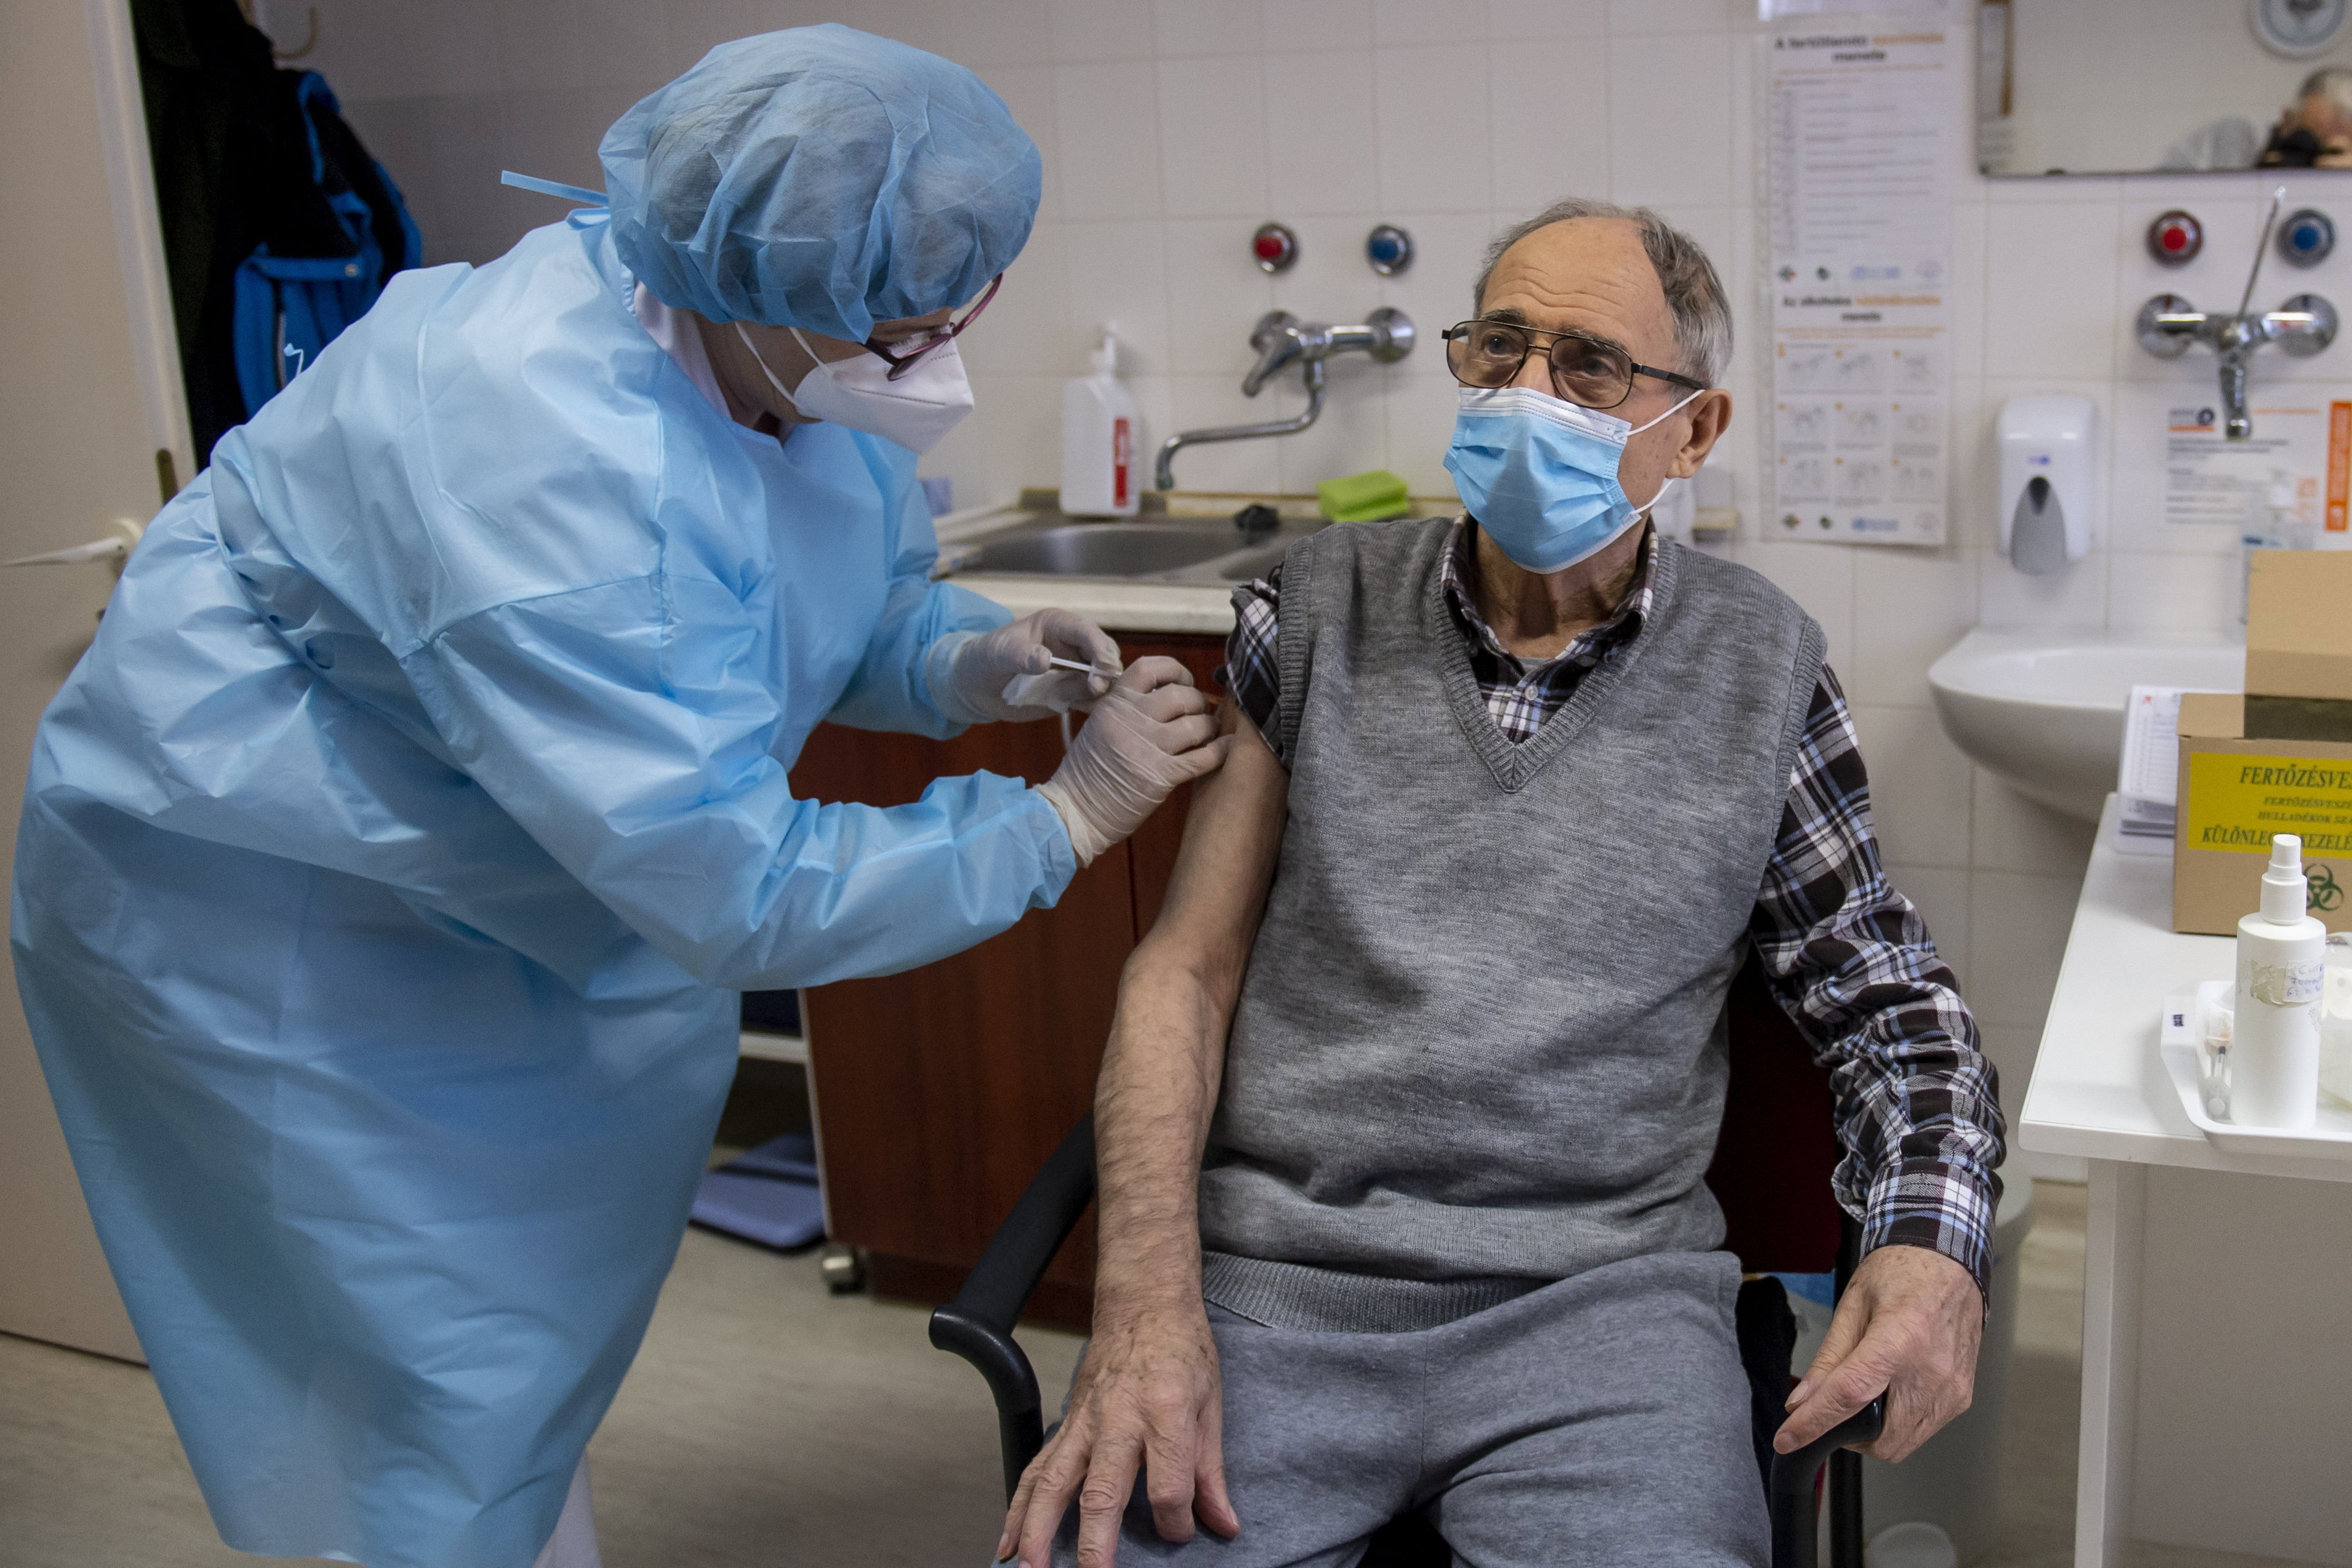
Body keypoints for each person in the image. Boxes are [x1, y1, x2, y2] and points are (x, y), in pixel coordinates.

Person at [9, 27, 1225, 1568]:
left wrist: (968, 661)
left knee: (505, 1359)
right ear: (770, 298)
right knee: (427, 1362)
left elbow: (811, 605)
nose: (938, 371)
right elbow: (737, 885)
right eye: (910, 340)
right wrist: (1056, 822)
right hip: (263, 907)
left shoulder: (772, 345)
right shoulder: (547, 455)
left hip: (484, 869)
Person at [997, 199, 2006, 1568]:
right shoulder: (1316, 612)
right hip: (1279, 1297)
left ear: (1693, 432)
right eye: (1502, 347)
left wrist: (1930, 1244)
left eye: (1588, 365)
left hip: (1604, 1318)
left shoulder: (1761, 669)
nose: (1529, 392)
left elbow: (1890, 1003)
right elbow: (1185, 970)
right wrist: (1143, 1307)